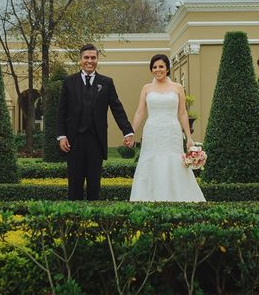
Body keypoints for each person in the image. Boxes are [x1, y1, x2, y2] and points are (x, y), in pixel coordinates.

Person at [57, 44, 134, 200]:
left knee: (94, 187)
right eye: (86, 57)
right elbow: (61, 112)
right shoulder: (68, 82)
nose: (90, 61)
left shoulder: (106, 82)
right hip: (74, 141)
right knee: (74, 187)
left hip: (96, 141)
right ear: (80, 60)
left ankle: (94, 220)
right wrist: (61, 136)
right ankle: (74, 220)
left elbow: (117, 108)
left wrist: (127, 131)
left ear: (97, 60)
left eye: (93, 58)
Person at [130, 54, 205, 202]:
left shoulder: (177, 87)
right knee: (150, 160)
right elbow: (140, 111)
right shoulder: (146, 88)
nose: (157, 70)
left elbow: (182, 113)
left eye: (161, 66)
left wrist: (189, 138)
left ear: (167, 68)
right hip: (152, 131)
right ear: (151, 69)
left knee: (174, 162)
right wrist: (130, 132)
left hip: (172, 132)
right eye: (154, 67)